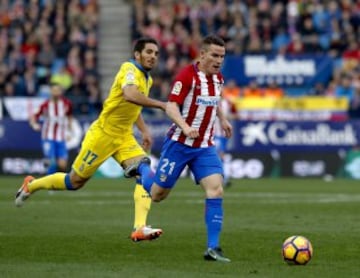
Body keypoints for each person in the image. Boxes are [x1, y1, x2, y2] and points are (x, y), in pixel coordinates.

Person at [15, 37, 167, 242]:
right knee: (74, 181)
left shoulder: (147, 79)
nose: (153, 56)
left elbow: (133, 107)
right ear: (137, 54)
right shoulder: (129, 69)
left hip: (124, 136)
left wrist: (145, 130)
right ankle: (31, 185)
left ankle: (139, 227)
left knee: (144, 168)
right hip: (103, 135)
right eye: (149, 52)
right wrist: (162, 105)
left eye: (156, 54)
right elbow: (130, 95)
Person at [124, 35, 232, 262]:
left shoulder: (218, 79)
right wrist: (184, 126)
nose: (219, 60)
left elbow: (216, 100)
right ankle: (142, 170)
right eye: (214, 55)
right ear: (202, 55)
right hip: (179, 145)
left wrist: (222, 119)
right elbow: (172, 105)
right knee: (157, 195)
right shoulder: (187, 76)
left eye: (222, 56)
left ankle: (213, 248)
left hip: (204, 146)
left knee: (216, 190)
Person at [30, 83, 72, 174]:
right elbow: (34, 116)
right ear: (51, 92)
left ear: (61, 92)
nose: (56, 92)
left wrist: (69, 131)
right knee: (51, 162)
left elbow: (69, 117)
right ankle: (50, 186)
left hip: (61, 138)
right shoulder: (45, 105)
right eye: (54, 90)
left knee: (63, 165)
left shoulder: (66, 104)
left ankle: (57, 182)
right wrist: (34, 125)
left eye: (58, 90)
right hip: (48, 137)